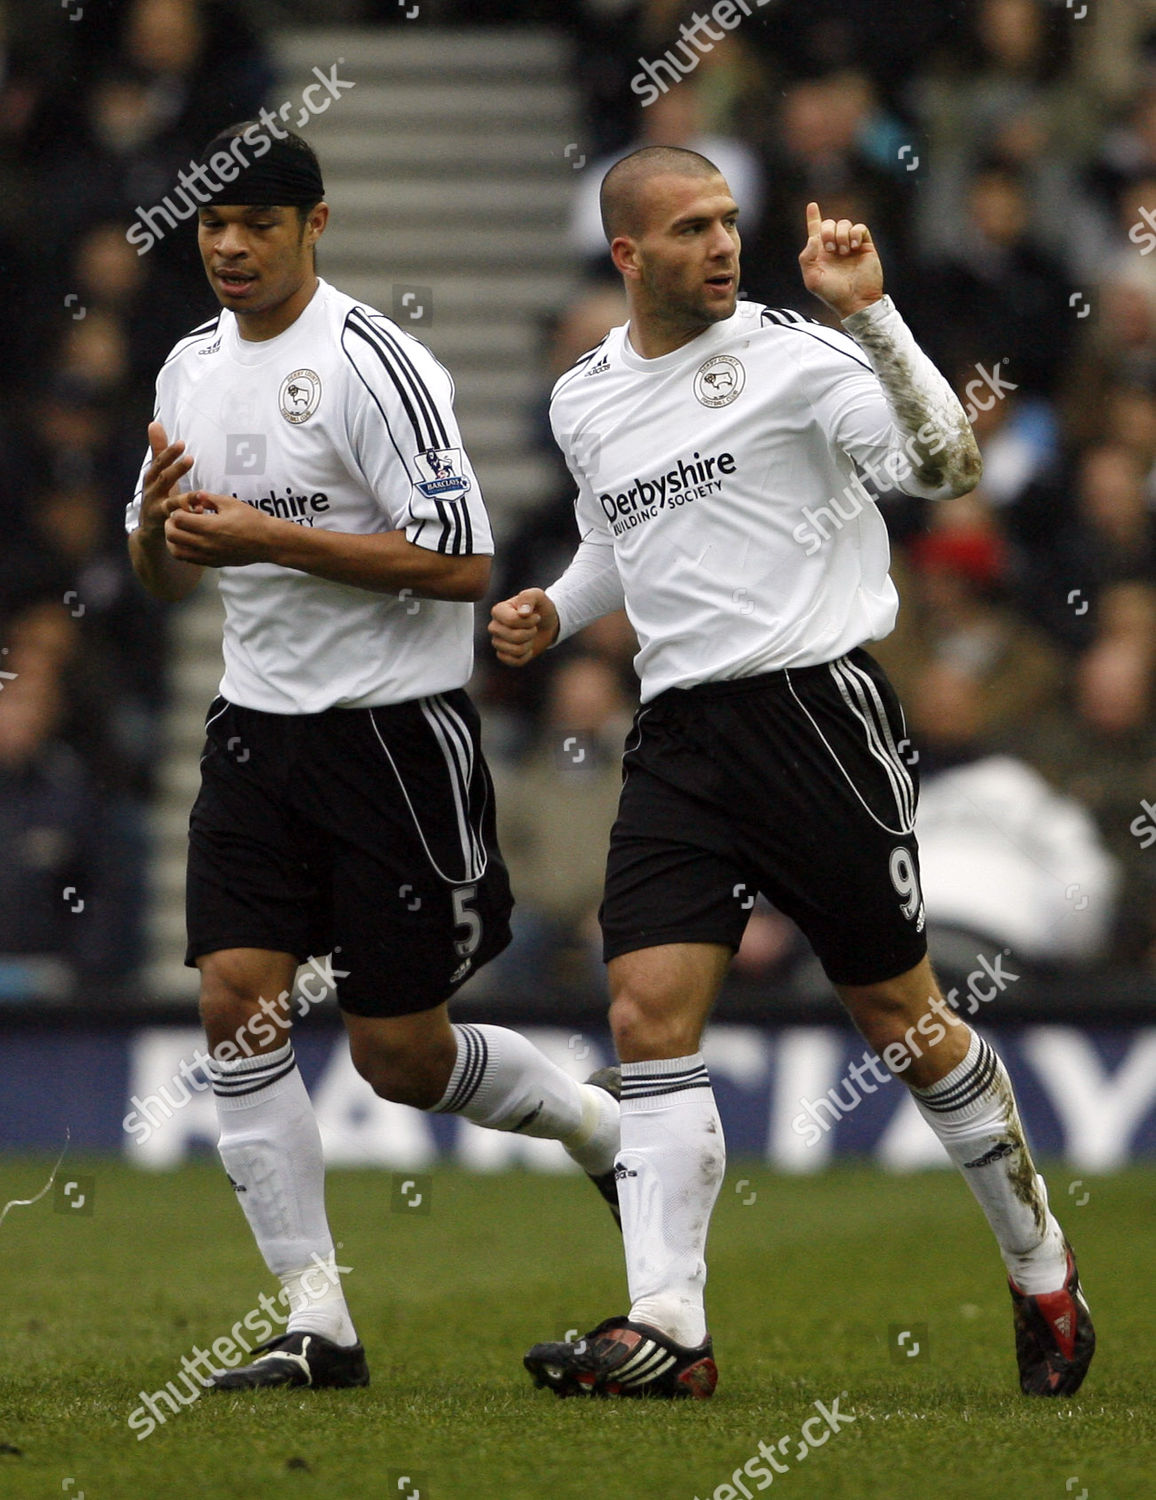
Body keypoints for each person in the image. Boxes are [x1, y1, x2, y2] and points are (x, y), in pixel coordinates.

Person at [490, 145, 1095, 1400]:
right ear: (627, 257)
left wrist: (869, 311)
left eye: (728, 222)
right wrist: (556, 602)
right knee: (647, 1015)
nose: (723, 244)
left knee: (901, 1021)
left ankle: (1038, 1264)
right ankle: (669, 1325)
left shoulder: (796, 355)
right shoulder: (584, 397)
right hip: (678, 736)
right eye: (692, 228)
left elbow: (945, 469)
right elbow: (621, 536)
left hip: (816, 714)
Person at [126, 123, 620, 1391]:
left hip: (393, 738)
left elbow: (462, 565)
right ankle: (316, 1323)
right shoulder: (186, 367)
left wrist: (269, 541)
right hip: (253, 731)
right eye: (212, 226)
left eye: (258, 223)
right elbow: (170, 570)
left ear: (314, 224)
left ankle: (594, 1126)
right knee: (236, 1003)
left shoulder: (370, 362)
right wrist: (151, 529)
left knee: (396, 1056)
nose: (231, 247)